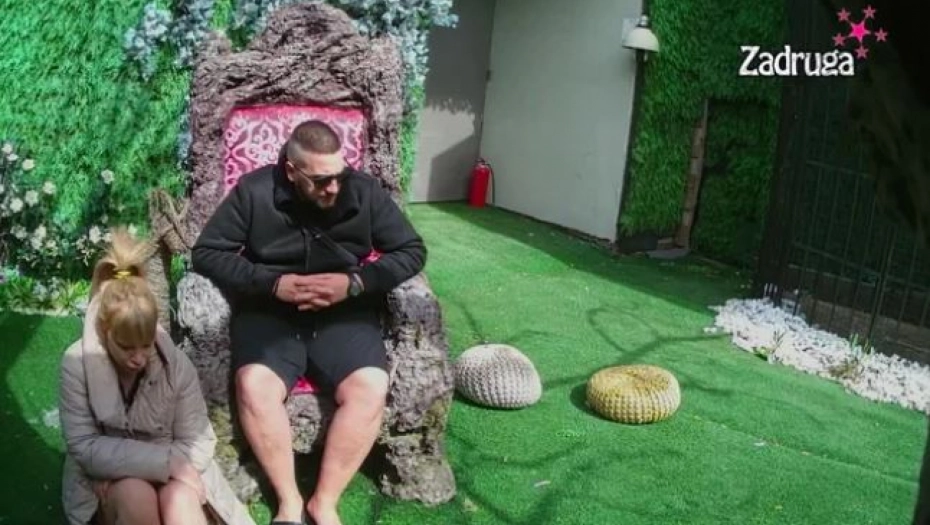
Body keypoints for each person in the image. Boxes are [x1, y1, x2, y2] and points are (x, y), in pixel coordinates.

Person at [190, 119, 427, 525]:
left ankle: (325, 502)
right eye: (320, 181)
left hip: (345, 313)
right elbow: (207, 252)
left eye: (338, 175)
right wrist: (270, 283)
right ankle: (289, 502)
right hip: (269, 312)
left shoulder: (364, 191)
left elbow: (411, 250)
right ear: (291, 170)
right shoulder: (254, 191)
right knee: (254, 385)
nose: (333, 188)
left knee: (371, 387)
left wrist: (356, 283)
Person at [58, 227, 256, 525]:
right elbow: (85, 446)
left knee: (181, 502)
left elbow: (198, 441)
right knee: (136, 496)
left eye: (146, 344)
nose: (138, 357)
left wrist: (168, 470)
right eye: (126, 347)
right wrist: (165, 463)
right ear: (104, 331)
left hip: (175, 471)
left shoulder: (176, 364)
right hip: (112, 479)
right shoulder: (76, 363)